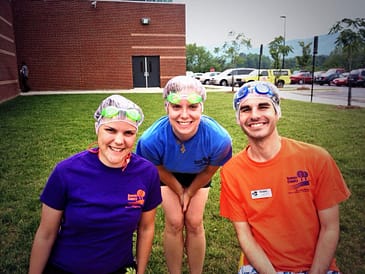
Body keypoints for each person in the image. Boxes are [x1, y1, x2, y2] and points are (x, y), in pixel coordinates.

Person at [219, 81, 351, 274]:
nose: (254, 115)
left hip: (318, 267)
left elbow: (330, 227)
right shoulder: (232, 171)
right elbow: (245, 236)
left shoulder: (316, 159)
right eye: (245, 109)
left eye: (263, 106)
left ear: (277, 112)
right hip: (262, 268)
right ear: (238, 118)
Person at [29, 95, 162, 274]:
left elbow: (146, 228)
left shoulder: (147, 173)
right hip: (67, 268)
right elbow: (46, 234)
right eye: (111, 130)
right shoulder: (66, 171)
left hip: (119, 267)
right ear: (97, 129)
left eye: (128, 133)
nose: (119, 141)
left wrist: (140, 271)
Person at [136, 75, 232, 274]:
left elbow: (208, 171)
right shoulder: (150, 140)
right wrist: (179, 190)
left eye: (193, 107)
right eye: (176, 107)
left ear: (202, 108)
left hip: (199, 175)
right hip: (167, 174)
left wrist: (189, 193)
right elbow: (157, 169)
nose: (184, 115)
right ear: (166, 108)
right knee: (174, 222)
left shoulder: (219, 139)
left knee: (195, 222)